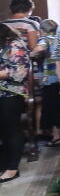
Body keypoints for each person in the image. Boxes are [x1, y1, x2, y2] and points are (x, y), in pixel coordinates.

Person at [0, 23, 30, 183]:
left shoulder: (14, 44)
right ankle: (3, 164)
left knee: (11, 130)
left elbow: (20, 71)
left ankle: (12, 168)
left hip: (11, 93)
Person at [36, 19, 60, 145]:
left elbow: (39, 49)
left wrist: (31, 54)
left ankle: (56, 136)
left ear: (41, 31)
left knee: (51, 108)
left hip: (50, 80)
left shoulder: (45, 39)